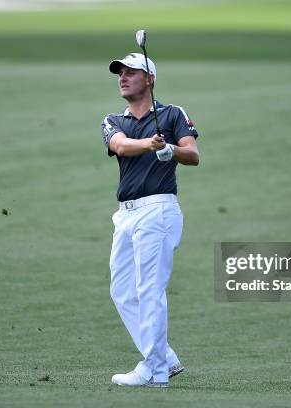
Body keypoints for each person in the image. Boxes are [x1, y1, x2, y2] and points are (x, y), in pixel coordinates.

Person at [100, 53, 200, 388]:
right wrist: (149, 144)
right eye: (121, 73)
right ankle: (165, 359)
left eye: (131, 72)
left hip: (158, 210)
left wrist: (170, 149)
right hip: (125, 214)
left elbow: (193, 154)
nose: (123, 77)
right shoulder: (113, 119)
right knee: (122, 291)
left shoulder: (172, 114)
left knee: (149, 289)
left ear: (150, 80)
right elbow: (120, 145)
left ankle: (155, 372)